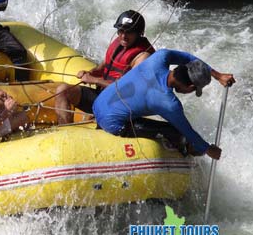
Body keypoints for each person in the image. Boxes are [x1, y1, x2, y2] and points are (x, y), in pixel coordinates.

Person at [92, 49, 235, 159]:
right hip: (112, 124)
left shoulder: (160, 57)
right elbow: (188, 132)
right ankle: (184, 155)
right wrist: (208, 149)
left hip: (97, 104)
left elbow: (188, 58)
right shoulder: (169, 104)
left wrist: (218, 75)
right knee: (177, 133)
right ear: (190, 87)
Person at [55, 10, 155, 124]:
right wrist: (90, 73)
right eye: (120, 31)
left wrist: (94, 80)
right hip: (104, 97)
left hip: (121, 105)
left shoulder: (143, 57)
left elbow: (126, 89)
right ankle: (64, 130)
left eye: (129, 32)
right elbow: (103, 67)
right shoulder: (120, 43)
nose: (123, 36)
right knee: (62, 90)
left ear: (139, 33)